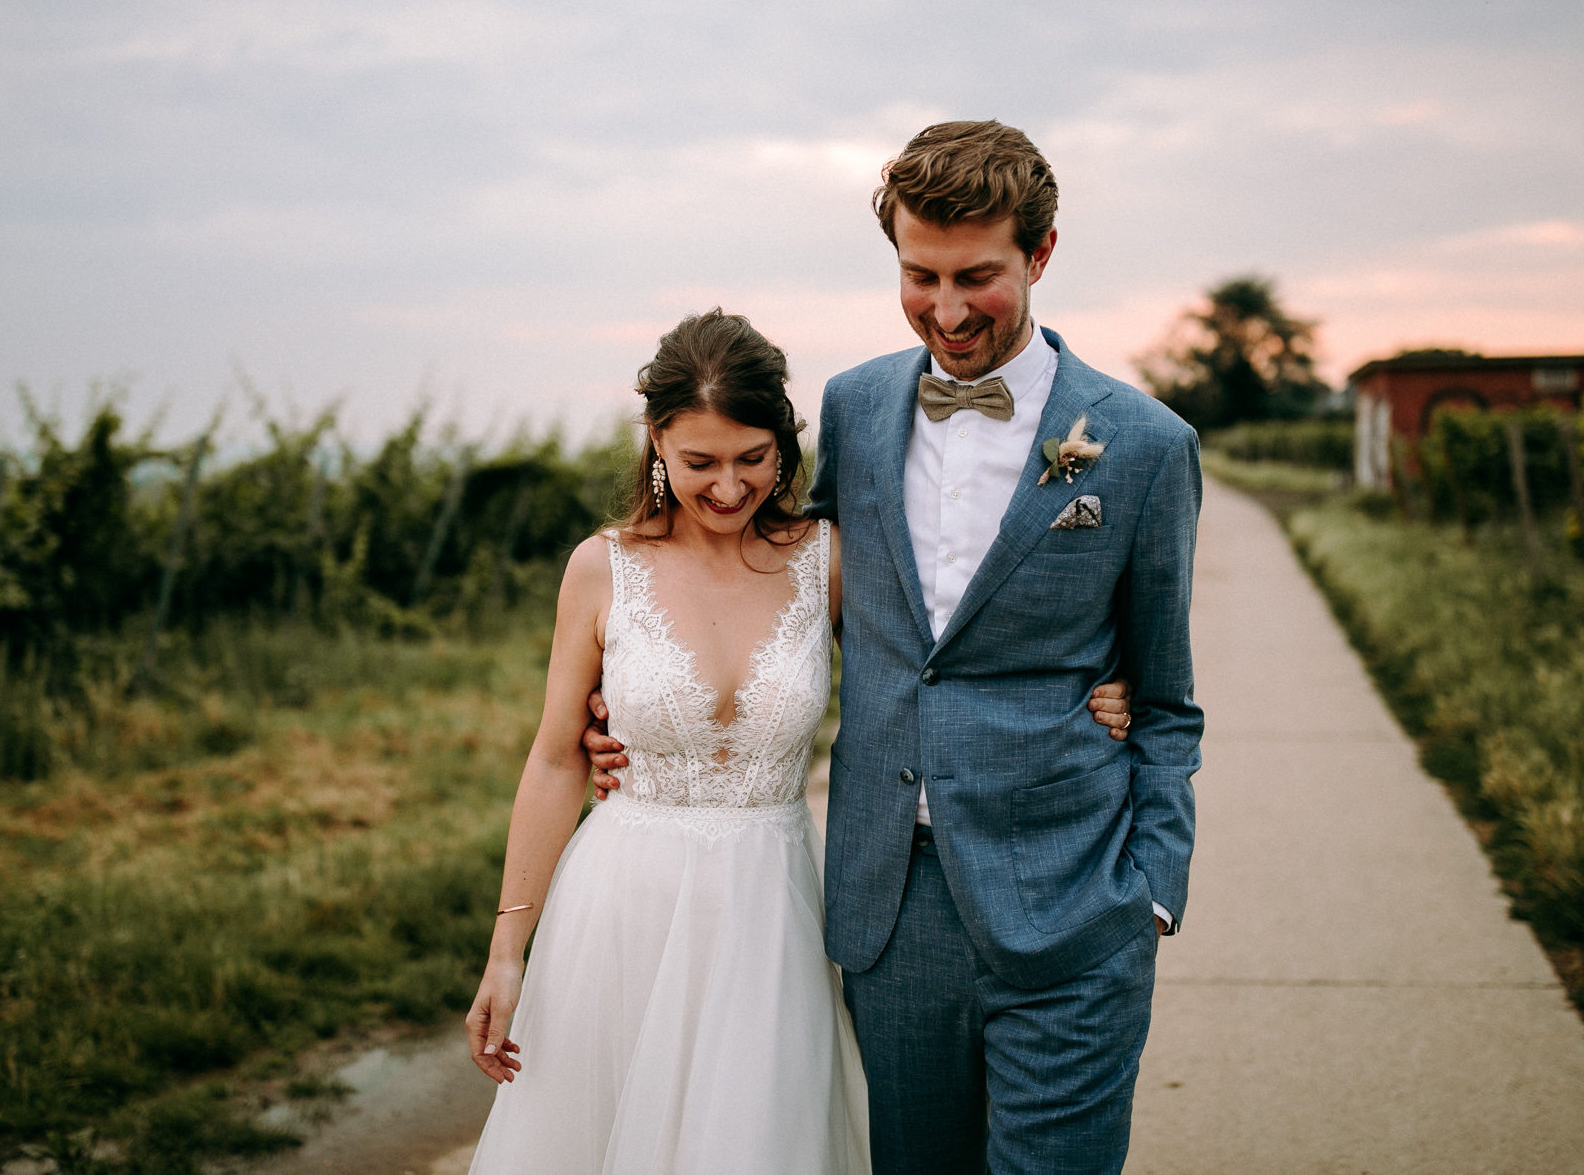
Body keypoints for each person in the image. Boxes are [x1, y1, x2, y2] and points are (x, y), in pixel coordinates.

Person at [590, 121, 1203, 1174]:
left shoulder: (1145, 445)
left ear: (1041, 254)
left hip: (1074, 902)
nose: (947, 310)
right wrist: (640, 694)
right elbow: (782, 579)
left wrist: (1149, 886)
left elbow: (1167, 700)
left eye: (977, 277)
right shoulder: (857, 407)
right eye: (921, 277)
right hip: (889, 909)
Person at [463, 306, 1136, 1174]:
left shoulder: (829, 558)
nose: (728, 487)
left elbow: (945, 666)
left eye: (753, 458)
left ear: (784, 445)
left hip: (769, 909)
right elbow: (557, 755)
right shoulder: (601, 567)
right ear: (657, 442)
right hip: (622, 907)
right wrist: (507, 950)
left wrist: (1099, 683)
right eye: (700, 462)